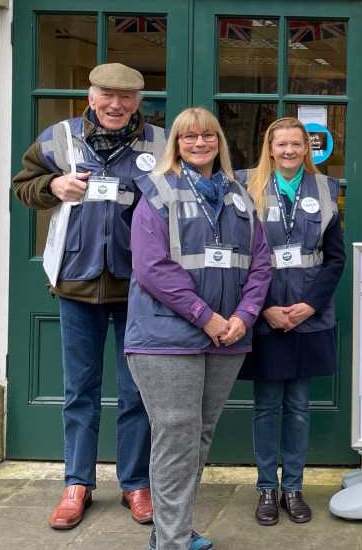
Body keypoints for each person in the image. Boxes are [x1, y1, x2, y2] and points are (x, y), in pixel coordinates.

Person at [12, 63, 165, 529]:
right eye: (107, 96)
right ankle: (76, 483)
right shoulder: (57, 137)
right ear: (90, 95)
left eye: (127, 98)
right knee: (80, 390)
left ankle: (135, 484)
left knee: (136, 390)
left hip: (139, 286)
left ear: (138, 102)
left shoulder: (159, 143)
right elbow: (23, 187)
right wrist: (52, 186)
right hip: (76, 282)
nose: (116, 105)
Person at [124, 107, 272, 550]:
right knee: (175, 434)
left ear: (220, 142)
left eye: (209, 135)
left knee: (198, 436)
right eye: (189, 137)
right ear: (176, 143)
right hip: (165, 338)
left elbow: (260, 264)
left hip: (227, 337)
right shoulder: (156, 190)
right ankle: (170, 541)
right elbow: (152, 268)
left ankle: (175, 529)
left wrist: (243, 317)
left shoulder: (240, 193)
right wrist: (206, 317)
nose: (200, 142)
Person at [236, 118, 346, 526]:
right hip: (264, 317)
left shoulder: (325, 189)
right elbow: (237, 254)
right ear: (268, 147)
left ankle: (293, 487)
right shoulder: (244, 186)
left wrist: (311, 306)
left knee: (299, 406)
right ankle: (267, 487)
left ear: (307, 149)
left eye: (296, 144)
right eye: (280, 144)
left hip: (308, 317)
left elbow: (335, 259)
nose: (288, 151)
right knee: (266, 406)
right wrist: (262, 306)